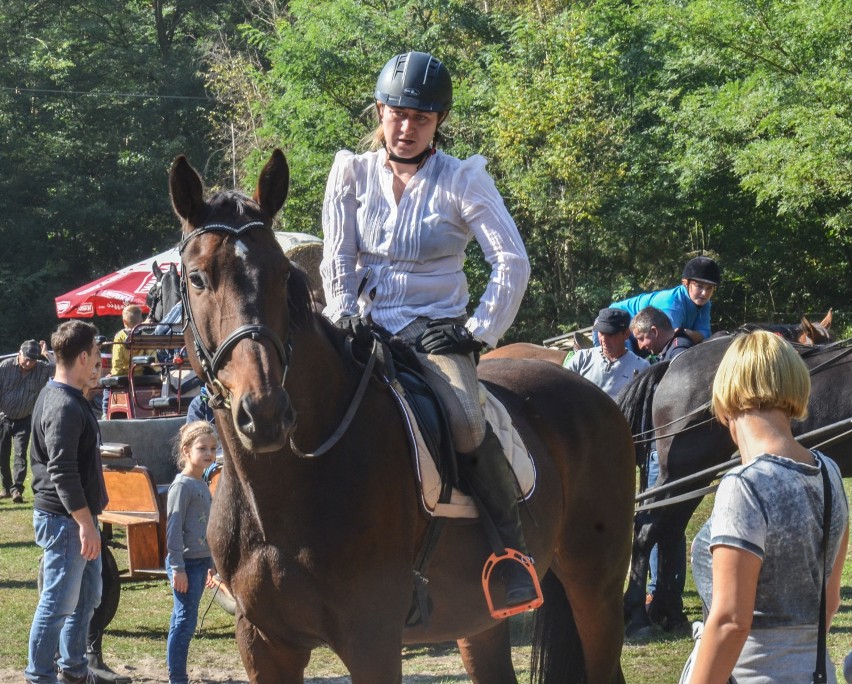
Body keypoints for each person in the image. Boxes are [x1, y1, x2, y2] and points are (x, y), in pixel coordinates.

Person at [320, 51, 536, 607]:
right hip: (360, 326)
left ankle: (510, 554)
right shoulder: (351, 173)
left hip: (434, 333)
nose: (407, 127)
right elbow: (337, 256)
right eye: (397, 114)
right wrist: (343, 309)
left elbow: (512, 261)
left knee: (465, 421)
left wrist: (476, 332)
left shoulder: (462, 180)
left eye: (420, 117)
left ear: (438, 122)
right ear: (380, 111)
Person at [681, 331, 849, 683]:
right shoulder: (830, 473)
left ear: (727, 394)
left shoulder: (744, 485)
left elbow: (730, 621)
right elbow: (829, 602)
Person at [25, 320, 107, 684]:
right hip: (66, 522)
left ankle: (73, 670)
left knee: (88, 597)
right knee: (57, 604)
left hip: (77, 520)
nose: (100, 362)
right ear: (83, 356)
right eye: (97, 354)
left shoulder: (69, 397)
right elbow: (63, 471)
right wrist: (85, 524)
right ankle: (38, 677)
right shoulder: (62, 405)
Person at [630, 306, 693, 615]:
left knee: (658, 520)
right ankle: (665, 590)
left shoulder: (677, 356)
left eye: (641, 338)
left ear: (654, 332)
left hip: (665, 449)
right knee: (669, 523)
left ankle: (659, 591)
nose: (641, 346)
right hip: (661, 448)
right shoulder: (676, 351)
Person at [165, 421, 217, 684]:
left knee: (186, 619)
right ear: (186, 451)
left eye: (212, 448)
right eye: (202, 448)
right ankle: (177, 677)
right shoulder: (182, 486)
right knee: (184, 623)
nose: (209, 454)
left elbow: (204, 528)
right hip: (185, 563)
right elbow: (173, 530)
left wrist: (211, 562)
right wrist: (178, 568)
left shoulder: (201, 483)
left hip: (199, 562)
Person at [610, 255, 721, 347]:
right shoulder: (672, 303)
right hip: (615, 323)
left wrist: (686, 332)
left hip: (643, 335)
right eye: (699, 286)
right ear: (685, 283)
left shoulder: (705, 303)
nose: (704, 293)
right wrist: (689, 334)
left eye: (709, 288)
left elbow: (705, 335)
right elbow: (669, 341)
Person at [0, 339, 55, 504]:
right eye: (26, 358)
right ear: (19, 353)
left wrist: (47, 354)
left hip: (25, 417)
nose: (29, 362)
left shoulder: (41, 368)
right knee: (2, 454)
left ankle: (17, 489)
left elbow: (60, 368)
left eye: (32, 359)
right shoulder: (4, 367)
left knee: (20, 454)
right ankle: (6, 487)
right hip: (3, 417)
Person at [565, 308, 649, 399]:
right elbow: (561, 385)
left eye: (610, 334)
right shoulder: (582, 358)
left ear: (626, 334)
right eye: (601, 333)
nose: (604, 339)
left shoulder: (641, 367)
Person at [102, 305, 155, 417]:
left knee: (107, 386)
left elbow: (117, 360)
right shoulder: (145, 335)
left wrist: (114, 374)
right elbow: (152, 355)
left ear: (124, 321)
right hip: (140, 374)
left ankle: (105, 412)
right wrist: (159, 371)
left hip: (124, 375)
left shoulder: (120, 336)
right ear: (141, 320)